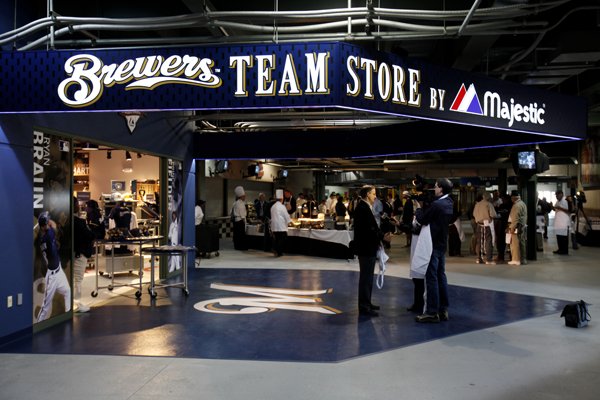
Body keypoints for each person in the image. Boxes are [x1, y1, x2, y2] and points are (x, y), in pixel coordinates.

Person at [414, 178, 454, 323]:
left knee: (431, 278)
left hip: (432, 245)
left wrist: (418, 208)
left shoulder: (437, 205)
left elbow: (423, 220)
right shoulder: (449, 203)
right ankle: (443, 309)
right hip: (442, 244)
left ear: (441, 189)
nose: (434, 189)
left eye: (436, 187)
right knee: (441, 277)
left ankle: (431, 311)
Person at [352, 185, 390, 317]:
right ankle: (364, 305)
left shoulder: (364, 207)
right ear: (368, 194)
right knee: (366, 278)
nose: (375, 196)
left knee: (367, 278)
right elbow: (368, 230)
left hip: (368, 248)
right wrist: (382, 237)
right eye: (374, 194)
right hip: (366, 248)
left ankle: (367, 302)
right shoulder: (362, 209)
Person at [36, 211, 72, 322]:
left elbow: (50, 224)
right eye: (46, 223)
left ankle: (68, 316)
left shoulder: (44, 237)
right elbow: (54, 225)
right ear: (42, 227)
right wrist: (48, 220)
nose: (49, 224)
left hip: (59, 271)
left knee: (67, 292)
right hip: (51, 277)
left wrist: (44, 219)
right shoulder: (48, 236)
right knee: (46, 306)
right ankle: (38, 323)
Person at [73, 198, 94, 313]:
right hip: (79, 253)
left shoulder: (71, 220)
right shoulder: (76, 221)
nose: (78, 206)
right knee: (77, 279)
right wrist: (92, 233)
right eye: (76, 204)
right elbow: (87, 235)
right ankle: (76, 304)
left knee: (75, 278)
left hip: (77, 252)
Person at [473, 192, 497, 265]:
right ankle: (488, 259)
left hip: (479, 224)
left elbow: (474, 214)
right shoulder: (489, 204)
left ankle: (479, 258)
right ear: (489, 198)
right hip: (487, 224)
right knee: (488, 241)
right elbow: (493, 214)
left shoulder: (477, 204)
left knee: (479, 241)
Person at [270, 189, 293, 257]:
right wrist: (291, 222)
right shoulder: (282, 206)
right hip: (280, 226)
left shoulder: (273, 206)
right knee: (282, 238)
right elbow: (286, 215)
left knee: (277, 238)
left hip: (274, 226)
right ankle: (275, 248)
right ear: (282, 199)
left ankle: (278, 252)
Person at [508, 190, 527, 265]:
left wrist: (512, 228)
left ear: (513, 198)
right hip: (522, 226)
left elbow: (515, 218)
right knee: (522, 243)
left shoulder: (516, 205)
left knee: (515, 243)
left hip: (517, 227)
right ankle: (523, 259)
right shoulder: (522, 203)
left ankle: (516, 259)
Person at [494, 194, 512, 262]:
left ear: (508, 199)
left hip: (509, 224)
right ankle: (500, 256)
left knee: (510, 241)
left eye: (504, 199)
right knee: (500, 241)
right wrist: (496, 207)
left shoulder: (512, 206)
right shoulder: (502, 205)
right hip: (502, 224)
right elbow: (497, 212)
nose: (503, 201)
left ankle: (511, 257)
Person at [552, 190, 571, 255]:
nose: (557, 197)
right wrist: (552, 206)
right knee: (559, 237)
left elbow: (569, 210)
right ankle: (560, 249)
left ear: (561, 195)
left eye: (557, 195)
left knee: (564, 238)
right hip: (558, 222)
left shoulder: (566, 201)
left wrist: (560, 208)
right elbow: (555, 209)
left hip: (564, 222)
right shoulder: (557, 202)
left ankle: (564, 250)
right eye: (556, 196)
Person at [231, 186, 248, 251]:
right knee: (241, 234)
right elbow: (242, 213)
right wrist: (244, 220)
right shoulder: (241, 204)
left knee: (237, 234)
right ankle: (242, 247)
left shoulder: (235, 203)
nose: (245, 197)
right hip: (240, 220)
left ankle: (237, 246)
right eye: (244, 196)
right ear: (241, 196)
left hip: (236, 220)